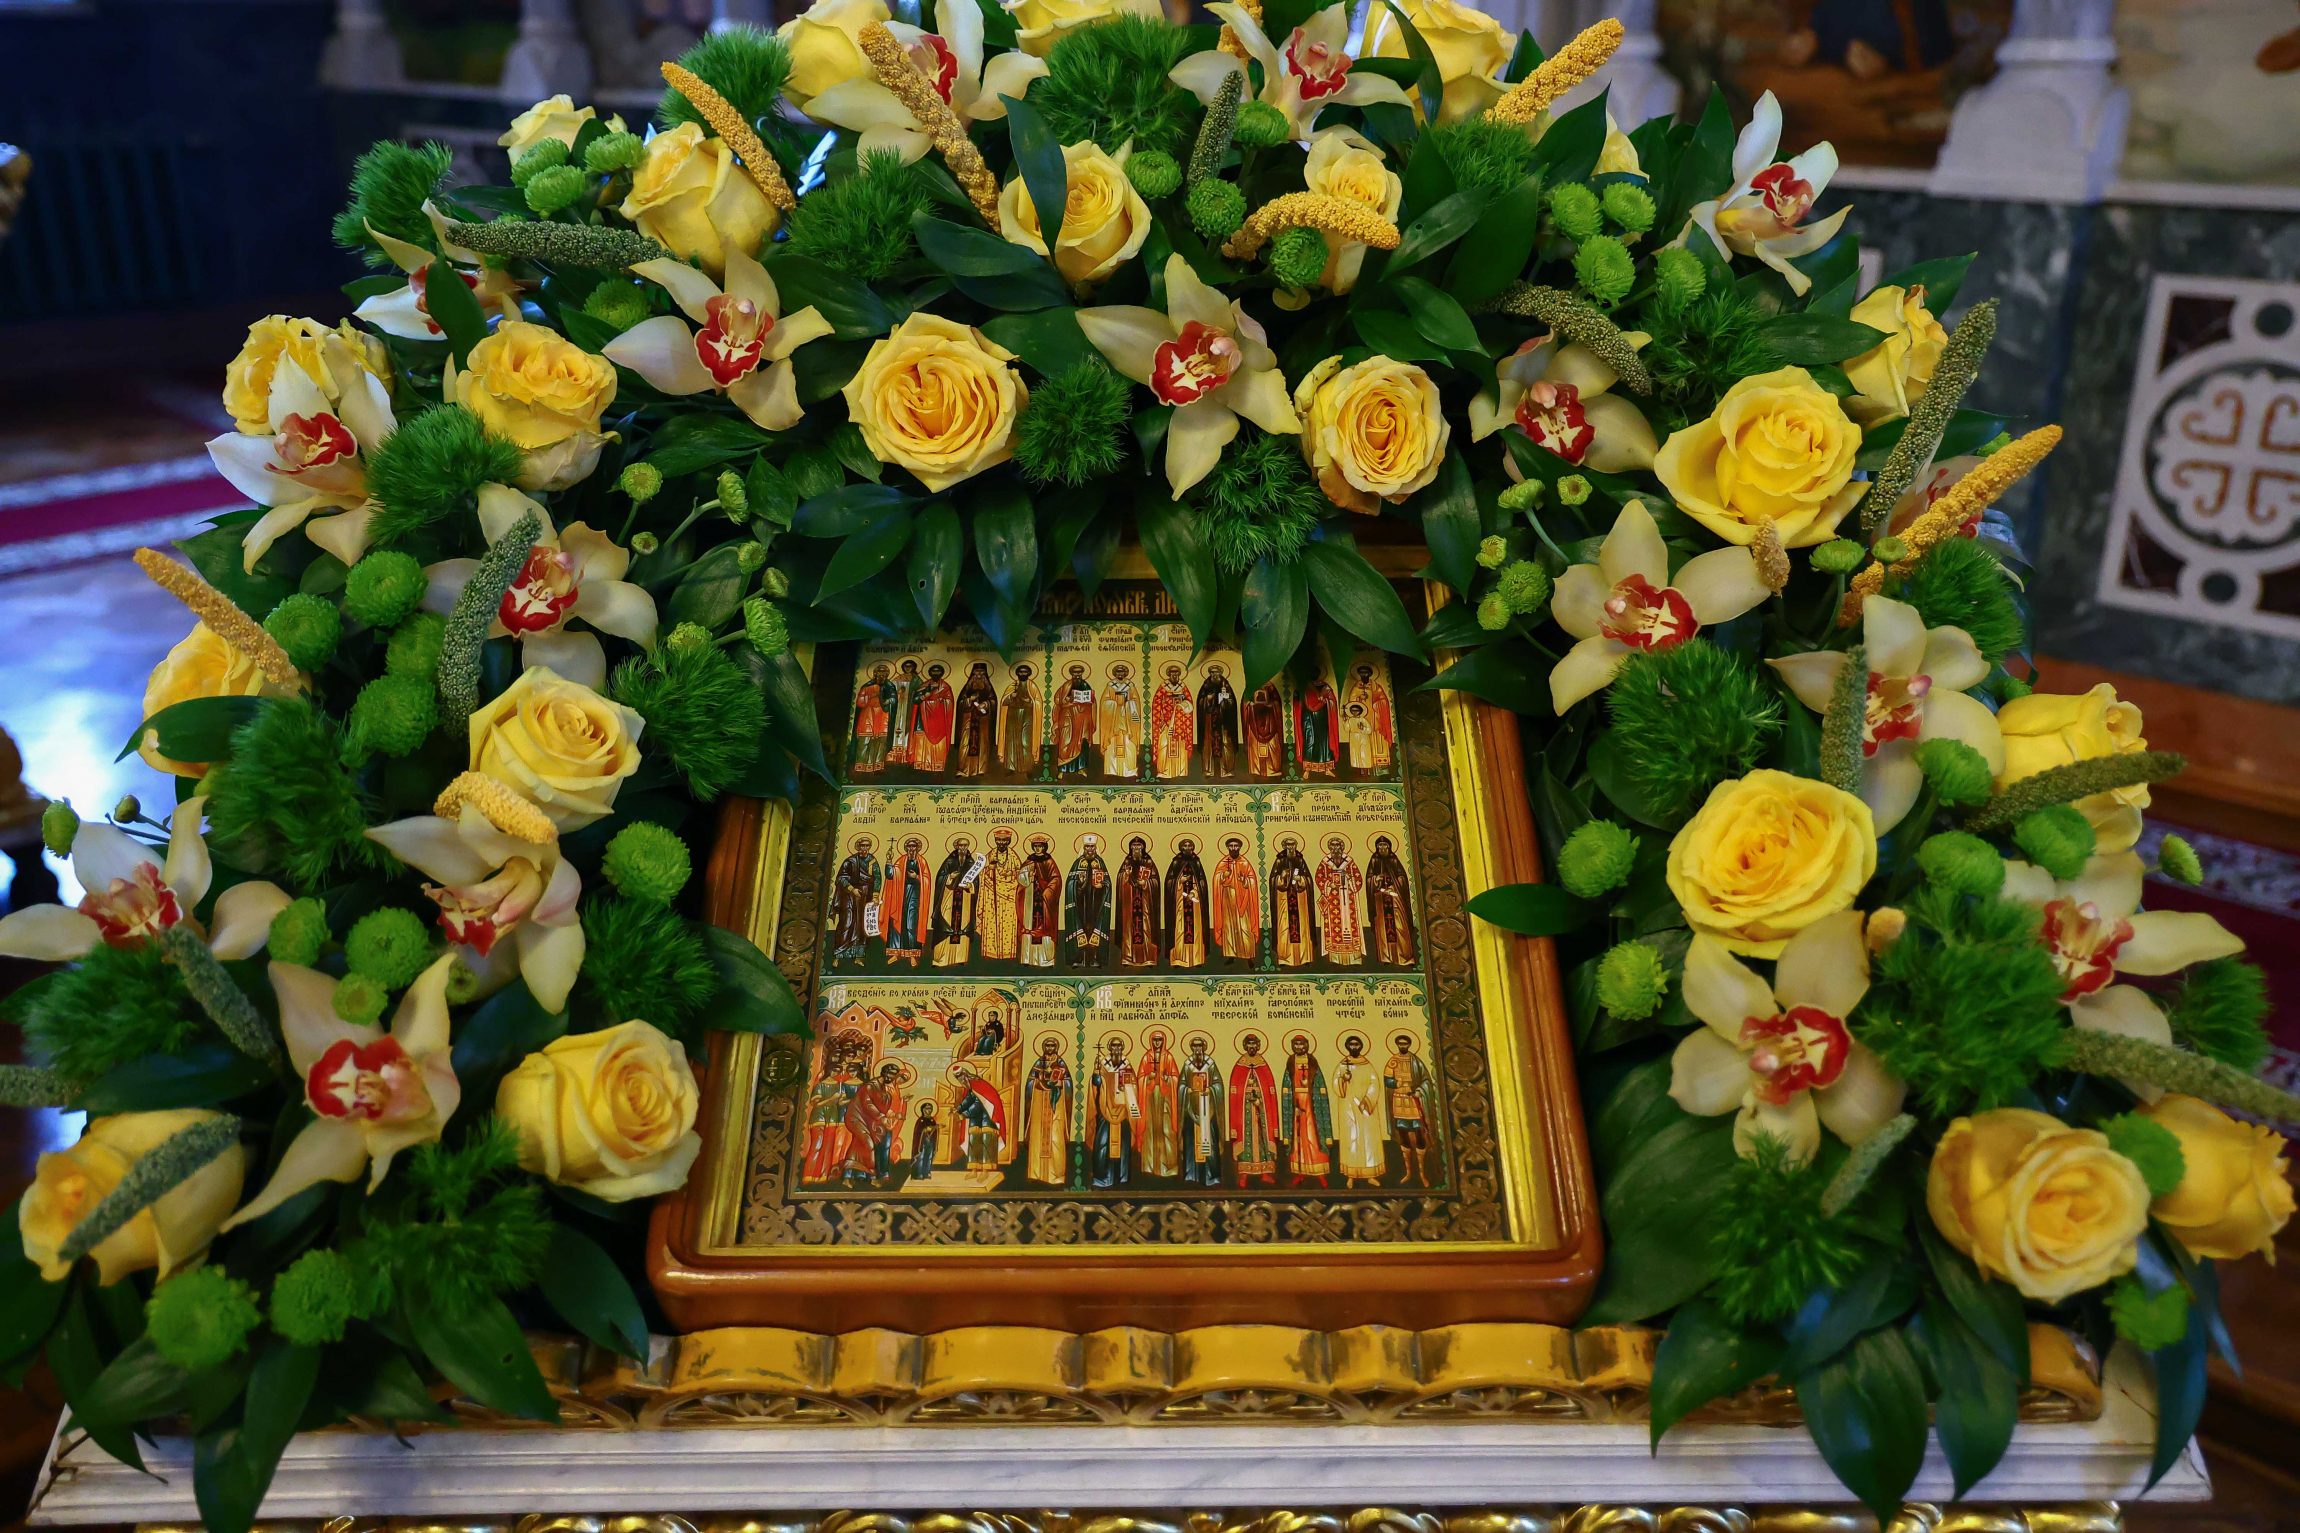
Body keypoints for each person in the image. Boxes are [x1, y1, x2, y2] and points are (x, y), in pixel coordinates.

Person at [1384, 1033, 1440, 1185]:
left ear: (1409, 1045)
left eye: (1405, 1044)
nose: (1403, 1046)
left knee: (1419, 1135)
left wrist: (1419, 1091)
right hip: (1399, 1102)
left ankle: (1422, 1174)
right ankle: (1408, 1172)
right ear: (1397, 1045)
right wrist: (1396, 1083)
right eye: (1400, 1043)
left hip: (1414, 1102)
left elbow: (1426, 1080)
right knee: (1403, 1136)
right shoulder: (1393, 1061)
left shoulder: (1416, 1062)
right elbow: (1387, 1081)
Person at [1334, 1033, 1389, 1187]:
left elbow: (1374, 1083)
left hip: (1365, 1108)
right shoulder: (1342, 1065)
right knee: (1350, 1139)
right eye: (1351, 1044)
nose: (1354, 1047)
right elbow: (1336, 1084)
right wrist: (1343, 1079)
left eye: (1356, 1044)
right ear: (1347, 1046)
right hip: (1348, 1108)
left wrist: (1367, 1100)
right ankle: (1351, 1176)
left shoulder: (1367, 1064)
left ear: (1361, 1046)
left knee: (1369, 1140)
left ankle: (1370, 1175)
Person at [1279, 1033, 1333, 1187]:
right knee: (1298, 1140)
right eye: (1296, 1044)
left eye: (1301, 1044)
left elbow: (1320, 1086)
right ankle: (1300, 1172)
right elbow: (1287, 1087)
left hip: (1312, 1105)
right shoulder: (1290, 1063)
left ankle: (1320, 1173)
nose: (1299, 1047)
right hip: (1296, 1106)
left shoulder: (1313, 1063)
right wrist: (1291, 1103)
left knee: (1313, 1137)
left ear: (1307, 1046)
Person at [841, 1062, 907, 1187]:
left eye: (894, 1076)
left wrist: (893, 1114)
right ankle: (848, 1176)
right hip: (858, 1118)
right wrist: (882, 1118)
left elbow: (883, 1107)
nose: (892, 1078)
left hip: (871, 1120)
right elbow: (868, 1105)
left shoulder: (884, 1089)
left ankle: (863, 1175)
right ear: (884, 1073)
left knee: (873, 1142)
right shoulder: (870, 1086)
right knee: (867, 1143)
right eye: (891, 1074)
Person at [1228, 1033, 1280, 1186]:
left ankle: (1265, 1173)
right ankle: (1244, 1175)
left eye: (1254, 1044)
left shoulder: (1263, 1065)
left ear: (1258, 1046)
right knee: (1245, 1141)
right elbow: (1235, 1092)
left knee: (1263, 1138)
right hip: (1244, 1113)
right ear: (1245, 1046)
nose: (1251, 1047)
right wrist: (1246, 1098)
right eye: (1249, 1044)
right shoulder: (1240, 1066)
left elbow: (1269, 1092)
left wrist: (1260, 1102)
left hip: (1261, 1111)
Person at [1019, 1037, 1072, 1186]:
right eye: (1047, 1045)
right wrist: (1038, 1082)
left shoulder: (1061, 1064)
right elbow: (1030, 1083)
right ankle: (1036, 1173)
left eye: (1052, 1045)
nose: (1049, 1048)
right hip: (1039, 1104)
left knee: (1055, 1138)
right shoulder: (1038, 1063)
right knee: (1037, 1136)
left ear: (1056, 1047)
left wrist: (1059, 1083)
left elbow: (1068, 1084)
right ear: (1043, 1047)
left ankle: (1056, 1175)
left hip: (1056, 1106)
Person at [1088, 1037, 1138, 1187]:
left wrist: (1128, 1087)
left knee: (1123, 1145)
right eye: (1114, 1046)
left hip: (1123, 1111)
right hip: (1105, 1110)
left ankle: (1122, 1178)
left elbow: (1134, 1086)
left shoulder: (1127, 1065)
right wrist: (1096, 1073)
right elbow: (1096, 1084)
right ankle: (1102, 1178)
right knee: (1102, 1144)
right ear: (1110, 1048)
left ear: (1122, 1048)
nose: (1116, 1049)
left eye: (1119, 1046)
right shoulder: (1103, 1064)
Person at [802, 1050, 859, 1184]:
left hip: (833, 1117)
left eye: (838, 1071)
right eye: (833, 1070)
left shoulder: (839, 1086)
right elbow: (816, 1103)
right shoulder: (820, 1084)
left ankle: (823, 1176)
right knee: (817, 1144)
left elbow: (841, 1102)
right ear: (829, 1070)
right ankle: (809, 1175)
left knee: (828, 1147)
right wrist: (831, 1099)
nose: (835, 1073)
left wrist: (841, 1099)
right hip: (819, 1116)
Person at [1178, 1035, 1225, 1186]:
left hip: (1208, 1109)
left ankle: (1212, 1176)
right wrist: (1187, 1090)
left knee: (1210, 1143)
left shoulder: (1210, 1064)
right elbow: (1181, 1085)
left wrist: (1211, 1089)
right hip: (1191, 1110)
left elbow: (1218, 1085)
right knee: (1191, 1143)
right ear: (1192, 1048)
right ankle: (1192, 1175)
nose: (1197, 1049)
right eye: (1195, 1047)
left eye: (1200, 1047)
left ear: (1203, 1048)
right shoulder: (1187, 1065)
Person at [974, 827, 1025, 962]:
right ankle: (990, 952)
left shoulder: (1013, 856)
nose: (1001, 843)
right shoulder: (990, 855)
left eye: (1004, 840)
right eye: (999, 840)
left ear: (1009, 841)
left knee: (1008, 924)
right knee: (991, 923)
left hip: (1009, 897)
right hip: (992, 896)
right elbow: (980, 872)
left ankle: (1008, 953)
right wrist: (988, 869)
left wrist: (1011, 873)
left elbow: (1020, 874)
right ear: (996, 841)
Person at [1315, 835, 1366, 967]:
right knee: (1333, 928)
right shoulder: (1325, 863)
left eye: (1337, 846)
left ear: (1342, 847)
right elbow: (1319, 878)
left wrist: (1348, 879)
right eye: (1332, 846)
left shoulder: (1349, 862)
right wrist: (1329, 884)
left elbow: (1358, 879)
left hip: (1349, 901)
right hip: (1332, 901)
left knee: (1352, 927)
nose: (1335, 848)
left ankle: (1354, 958)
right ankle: (1335, 959)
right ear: (1329, 848)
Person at [1365, 834, 1417, 966]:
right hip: (1380, 898)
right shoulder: (1374, 860)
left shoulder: (1394, 860)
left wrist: (1395, 885)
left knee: (1400, 926)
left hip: (1394, 897)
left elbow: (1402, 877)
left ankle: (1405, 957)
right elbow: (1369, 878)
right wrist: (1375, 880)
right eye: (1380, 846)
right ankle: (1386, 957)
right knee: (1383, 928)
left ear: (1389, 847)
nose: (1382, 848)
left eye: (1385, 845)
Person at [1137, 1027, 1182, 1177]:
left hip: (1165, 1098)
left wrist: (1168, 1079)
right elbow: (1140, 1078)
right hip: (1149, 1097)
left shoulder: (1168, 1057)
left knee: (1167, 1130)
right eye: (1155, 1040)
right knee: (1150, 1130)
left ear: (1164, 1041)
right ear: (1151, 1041)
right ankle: (1149, 1166)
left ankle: (1168, 1167)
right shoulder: (1146, 1057)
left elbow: (1176, 1078)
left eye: (1160, 1040)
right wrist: (1148, 1078)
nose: (1157, 1042)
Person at [880, 834, 929, 968]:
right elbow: (890, 875)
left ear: (918, 848)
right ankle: (896, 953)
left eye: (914, 846)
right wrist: (889, 861)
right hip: (900, 896)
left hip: (915, 897)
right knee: (896, 924)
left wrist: (917, 876)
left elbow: (926, 880)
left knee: (911, 924)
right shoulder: (901, 861)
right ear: (906, 848)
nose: (911, 849)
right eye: (909, 846)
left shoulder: (922, 862)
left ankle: (912, 955)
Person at [829, 834, 879, 967]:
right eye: (862, 846)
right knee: (846, 922)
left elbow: (877, 878)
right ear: (858, 847)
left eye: (867, 846)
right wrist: (852, 889)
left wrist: (875, 895)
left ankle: (858, 957)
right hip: (849, 896)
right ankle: (838, 956)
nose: (864, 848)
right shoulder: (850, 861)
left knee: (862, 926)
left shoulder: (873, 861)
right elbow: (840, 878)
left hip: (866, 896)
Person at [1268, 835, 1317, 968]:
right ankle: (1285, 959)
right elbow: (1273, 880)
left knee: (1303, 928)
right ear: (1284, 846)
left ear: (1295, 846)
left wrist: (1300, 879)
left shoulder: (1300, 860)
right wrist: (1281, 877)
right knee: (1284, 928)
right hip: (1283, 898)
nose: (1290, 847)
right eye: (1288, 845)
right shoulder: (1279, 861)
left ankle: (1304, 957)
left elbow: (1308, 879)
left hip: (1300, 900)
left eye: (1292, 845)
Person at [948, 1063, 1007, 1172]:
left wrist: (964, 1114)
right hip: (975, 1119)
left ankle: (986, 1170)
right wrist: (958, 1109)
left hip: (988, 1118)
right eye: (958, 1078)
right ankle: (974, 1169)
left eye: (960, 1077)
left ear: (965, 1074)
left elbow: (978, 1104)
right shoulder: (970, 1087)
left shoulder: (978, 1084)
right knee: (973, 1142)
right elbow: (968, 1100)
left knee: (986, 1142)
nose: (960, 1080)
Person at [1211, 834, 1260, 964]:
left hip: (1243, 898)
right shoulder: (1223, 863)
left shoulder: (1245, 863)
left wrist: (1245, 881)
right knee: (1229, 926)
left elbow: (1252, 880)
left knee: (1245, 927)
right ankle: (1231, 955)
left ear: (1239, 847)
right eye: (1231, 846)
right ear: (1227, 847)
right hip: (1227, 898)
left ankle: (1249, 956)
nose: (1233, 848)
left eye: (1236, 846)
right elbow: (1216, 880)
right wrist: (1223, 876)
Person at [1163, 836, 1210, 969]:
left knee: (1196, 930)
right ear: (1181, 848)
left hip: (1195, 903)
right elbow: (1169, 882)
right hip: (1179, 900)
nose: (1187, 848)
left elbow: (1201, 881)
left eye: (1190, 846)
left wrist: (1194, 892)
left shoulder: (1197, 862)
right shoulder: (1175, 862)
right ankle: (1178, 959)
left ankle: (1196, 959)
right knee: (1180, 929)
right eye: (1185, 846)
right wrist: (1179, 881)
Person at [931, 835, 977, 966]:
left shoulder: (970, 862)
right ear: (956, 847)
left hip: (965, 899)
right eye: (961, 845)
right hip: (949, 897)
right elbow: (940, 878)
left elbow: (976, 881)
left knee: (962, 926)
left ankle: (959, 958)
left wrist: (970, 885)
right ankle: (941, 959)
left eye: (965, 846)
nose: (963, 848)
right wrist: (949, 877)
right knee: (946, 925)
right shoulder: (949, 861)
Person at [1066, 834, 1112, 967]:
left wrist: (1102, 886)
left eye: (1092, 847)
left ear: (1096, 848)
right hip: (1080, 904)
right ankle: (1078, 958)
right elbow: (1070, 883)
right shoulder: (1078, 863)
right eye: (1087, 847)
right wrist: (1079, 884)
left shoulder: (1100, 863)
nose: (1090, 850)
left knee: (1094, 929)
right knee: (1080, 928)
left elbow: (1108, 883)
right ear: (1084, 848)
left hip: (1096, 905)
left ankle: (1095, 959)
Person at [1116, 835, 1162, 968]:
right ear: (1130, 848)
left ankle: (1148, 958)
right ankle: (1128, 958)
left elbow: (1155, 881)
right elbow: (1120, 880)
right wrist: (1126, 875)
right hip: (1129, 901)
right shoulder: (1126, 861)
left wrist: (1146, 883)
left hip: (1145, 901)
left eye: (1139, 846)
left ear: (1143, 848)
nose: (1136, 849)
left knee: (1146, 928)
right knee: (1128, 929)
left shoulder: (1149, 862)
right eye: (1134, 846)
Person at [1021, 834, 1062, 967]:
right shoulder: (1029, 861)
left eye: (1040, 846)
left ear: (1045, 847)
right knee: (1029, 924)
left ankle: (1046, 960)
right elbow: (1021, 878)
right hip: (1030, 897)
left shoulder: (1049, 861)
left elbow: (1056, 879)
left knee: (1045, 925)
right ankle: (1028, 959)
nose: (1038, 848)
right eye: (1035, 846)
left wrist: (1048, 891)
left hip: (1045, 899)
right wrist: (1027, 876)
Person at [1344, 663, 1394, 770]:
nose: (1364, 675)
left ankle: (1379, 763)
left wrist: (1375, 703)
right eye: (1361, 673)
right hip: (1361, 718)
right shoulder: (1356, 687)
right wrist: (1359, 697)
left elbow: (1383, 700)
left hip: (1375, 717)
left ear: (1370, 674)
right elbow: (1351, 701)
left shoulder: (1376, 687)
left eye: (1366, 673)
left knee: (1376, 738)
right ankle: (1362, 764)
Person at [953, 662, 998, 779]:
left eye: (982, 673)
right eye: (976, 672)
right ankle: (962, 770)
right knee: (965, 743)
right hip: (968, 719)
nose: (979, 675)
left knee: (982, 744)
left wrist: (986, 704)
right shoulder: (967, 688)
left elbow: (993, 701)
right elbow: (960, 703)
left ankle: (981, 769)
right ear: (972, 673)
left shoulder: (988, 688)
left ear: (985, 674)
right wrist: (969, 700)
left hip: (983, 720)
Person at [1150, 662, 1194, 778]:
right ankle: (1164, 771)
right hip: (1166, 722)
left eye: (1176, 673)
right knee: (1164, 745)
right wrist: (1161, 719)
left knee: (1180, 746)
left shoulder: (1183, 687)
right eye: (1172, 673)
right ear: (1169, 674)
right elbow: (1156, 703)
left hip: (1180, 723)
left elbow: (1189, 703)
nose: (1174, 675)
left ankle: (1181, 771)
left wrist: (1182, 705)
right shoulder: (1163, 687)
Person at [1196, 662, 1241, 778]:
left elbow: (1232, 703)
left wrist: (1225, 701)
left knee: (1227, 743)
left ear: (1220, 674)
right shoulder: (1205, 686)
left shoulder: (1226, 686)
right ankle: (1207, 770)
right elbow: (1200, 702)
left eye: (1217, 673)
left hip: (1225, 721)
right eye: (1212, 673)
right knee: (1207, 744)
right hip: (1209, 719)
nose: (1214, 675)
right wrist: (1207, 699)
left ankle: (1228, 770)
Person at [1053, 662, 1097, 778]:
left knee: (1082, 743)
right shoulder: (1066, 686)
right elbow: (1058, 699)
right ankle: (1062, 769)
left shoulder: (1086, 685)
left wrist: (1089, 700)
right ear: (1071, 674)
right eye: (1075, 673)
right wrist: (1067, 699)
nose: (1077, 675)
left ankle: (1081, 768)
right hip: (1068, 717)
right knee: (1065, 742)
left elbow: (1092, 701)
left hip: (1082, 720)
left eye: (1079, 673)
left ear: (1082, 674)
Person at [1097, 662, 1140, 778]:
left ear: (1125, 673)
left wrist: (1128, 704)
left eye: (1122, 672)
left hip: (1127, 720)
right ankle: (1112, 770)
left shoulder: (1130, 686)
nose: (1120, 674)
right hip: (1113, 720)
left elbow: (1136, 701)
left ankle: (1129, 770)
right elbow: (1104, 702)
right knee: (1112, 745)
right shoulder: (1110, 686)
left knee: (1128, 745)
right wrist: (1114, 704)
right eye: (1118, 672)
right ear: (1115, 673)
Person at [910, 661, 955, 772]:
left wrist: (939, 702)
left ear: (942, 673)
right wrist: (924, 696)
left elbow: (949, 702)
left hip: (939, 721)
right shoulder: (924, 686)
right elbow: (915, 700)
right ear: (929, 673)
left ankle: (937, 766)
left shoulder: (945, 687)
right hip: (923, 719)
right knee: (921, 739)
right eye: (933, 672)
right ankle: (921, 765)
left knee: (939, 743)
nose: (936, 674)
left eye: (938, 672)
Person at [853, 663, 896, 775]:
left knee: (881, 741)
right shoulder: (866, 687)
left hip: (883, 715)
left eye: (884, 674)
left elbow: (893, 699)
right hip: (868, 715)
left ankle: (877, 766)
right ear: (875, 674)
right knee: (865, 741)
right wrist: (870, 696)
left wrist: (888, 701)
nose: (881, 676)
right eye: (879, 674)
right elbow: (860, 703)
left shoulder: (890, 686)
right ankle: (861, 767)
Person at [1000, 662, 1041, 778]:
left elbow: (1038, 701)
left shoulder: (1032, 687)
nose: (1023, 674)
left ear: (1029, 673)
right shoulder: (1012, 686)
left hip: (1027, 715)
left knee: (1026, 741)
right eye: (1021, 672)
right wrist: (1010, 697)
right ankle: (1011, 767)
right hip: (1012, 715)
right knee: (1011, 741)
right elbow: (1003, 702)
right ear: (1017, 673)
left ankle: (1027, 768)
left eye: (1025, 672)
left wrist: (1031, 702)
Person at [1295, 673, 1339, 777]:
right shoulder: (1304, 687)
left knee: (1324, 743)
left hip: (1323, 720)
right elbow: (1300, 701)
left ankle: (1327, 768)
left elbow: (1332, 701)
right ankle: (1307, 769)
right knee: (1309, 741)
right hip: (1308, 719)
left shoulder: (1325, 687)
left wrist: (1326, 701)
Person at [1244, 682, 1285, 778]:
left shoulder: (1270, 686)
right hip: (1254, 722)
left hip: (1271, 723)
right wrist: (1250, 704)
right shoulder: (1251, 685)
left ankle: (1273, 769)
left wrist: (1272, 704)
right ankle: (1257, 770)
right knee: (1255, 747)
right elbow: (1245, 703)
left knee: (1273, 746)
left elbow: (1277, 701)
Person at [887, 658, 923, 767]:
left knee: (908, 727)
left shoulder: (916, 679)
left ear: (913, 667)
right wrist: (896, 693)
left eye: (910, 666)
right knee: (896, 726)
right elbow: (891, 689)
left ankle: (907, 752)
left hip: (909, 707)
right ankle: (894, 752)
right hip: (898, 707)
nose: (908, 668)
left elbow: (920, 690)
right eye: (906, 666)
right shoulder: (898, 678)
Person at [908, 1100, 939, 1180]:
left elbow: (934, 1131)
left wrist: (935, 1128)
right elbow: (918, 1131)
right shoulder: (920, 1120)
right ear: (923, 1110)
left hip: (930, 1142)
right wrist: (927, 1129)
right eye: (927, 1108)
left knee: (929, 1157)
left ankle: (926, 1172)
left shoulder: (932, 1120)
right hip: (921, 1142)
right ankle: (918, 1173)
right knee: (920, 1157)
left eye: (930, 1108)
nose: (929, 1110)